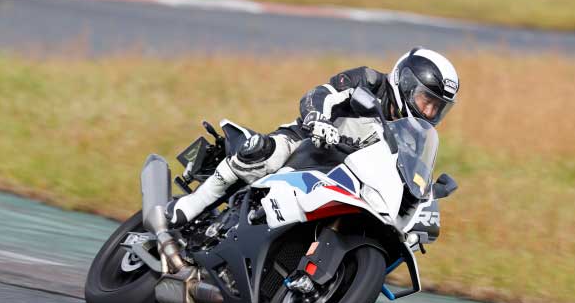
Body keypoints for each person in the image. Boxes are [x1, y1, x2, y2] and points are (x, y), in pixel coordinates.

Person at [166, 47, 460, 226]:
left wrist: (425, 194)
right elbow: (320, 94)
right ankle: (191, 205)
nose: (429, 111)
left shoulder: (413, 137)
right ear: (406, 83)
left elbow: (406, 174)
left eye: (437, 107)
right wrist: (317, 119)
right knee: (263, 151)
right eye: (426, 100)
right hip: (310, 145)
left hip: (350, 180)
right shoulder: (369, 82)